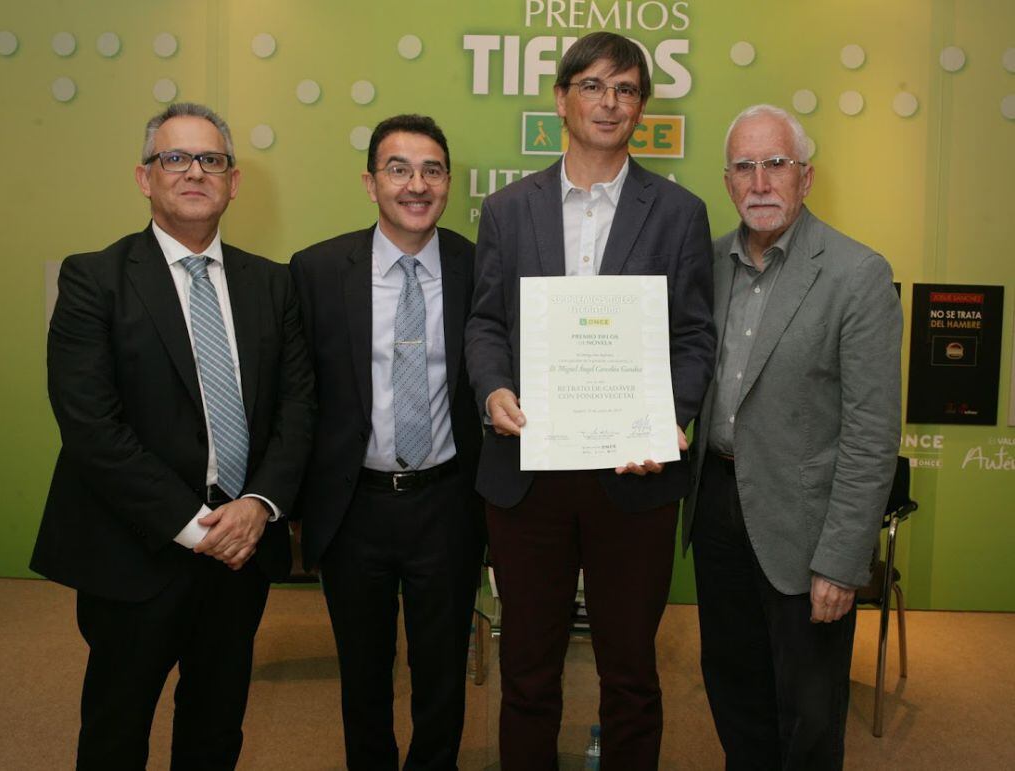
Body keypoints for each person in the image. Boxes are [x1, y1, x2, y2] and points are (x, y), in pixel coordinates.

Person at [30, 102, 315, 770]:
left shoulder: (272, 284)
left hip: (242, 551)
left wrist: (260, 505)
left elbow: (299, 408)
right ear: (145, 177)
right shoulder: (93, 279)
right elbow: (91, 426)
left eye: (211, 159)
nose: (194, 172)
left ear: (233, 181)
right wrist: (196, 526)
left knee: (216, 729)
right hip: (135, 550)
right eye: (175, 158)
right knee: (116, 729)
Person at [465, 32, 716, 769]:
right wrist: (493, 388)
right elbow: (485, 321)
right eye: (595, 86)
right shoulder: (509, 208)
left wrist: (671, 419)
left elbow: (695, 337)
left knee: (631, 672)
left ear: (642, 106)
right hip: (526, 474)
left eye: (628, 89)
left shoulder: (678, 212)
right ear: (562, 98)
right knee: (529, 672)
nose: (611, 102)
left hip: (633, 477)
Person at [683, 104, 902, 769]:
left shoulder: (856, 275)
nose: (759, 182)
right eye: (744, 167)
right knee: (733, 688)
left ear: (805, 176)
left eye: (775, 164)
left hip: (807, 530)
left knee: (808, 712)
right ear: (727, 181)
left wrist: (842, 558)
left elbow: (871, 434)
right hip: (718, 509)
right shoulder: (708, 265)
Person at [289, 114, 484, 771]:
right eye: (398, 169)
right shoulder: (316, 271)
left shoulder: (477, 267)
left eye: (432, 170)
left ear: (449, 183)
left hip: (448, 502)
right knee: (362, 673)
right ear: (371, 183)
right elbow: (299, 396)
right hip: (354, 507)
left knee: (441, 673)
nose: (416, 184)